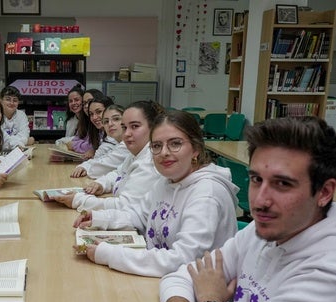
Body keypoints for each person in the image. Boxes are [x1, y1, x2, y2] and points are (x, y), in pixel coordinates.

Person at [150, 117, 336, 302]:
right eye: (256, 179)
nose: (260, 201)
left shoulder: (327, 272)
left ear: (324, 192)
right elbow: (180, 276)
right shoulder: (265, 228)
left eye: (283, 184)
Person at [72, 110, 238, 277]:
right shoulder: (167, 180)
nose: (164, 152)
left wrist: (109, 254)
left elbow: (181, 260)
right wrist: (99, 218)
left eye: (175, 144)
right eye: (157, 146)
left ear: (195, 149)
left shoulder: (207, 195)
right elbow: (139, 215)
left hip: (196, 292)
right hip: (164, 280)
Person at [54, 101, 163, 212]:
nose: (127, 133)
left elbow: (124, 206)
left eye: (135, 126)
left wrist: (79, 200)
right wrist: (101, 184)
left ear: (153, 127)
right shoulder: (135, 153)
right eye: (124, 127)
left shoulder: (150, 162)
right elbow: (118, 173)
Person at [70, 104, 130, 179]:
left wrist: (87, 167)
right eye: (106, 121)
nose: (110, 124)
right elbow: (99, 159)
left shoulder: (128, 145)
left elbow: (96, 171)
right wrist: (84, 166)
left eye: (116, 119)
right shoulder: (113, 140)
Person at [65, 89, 106, 158]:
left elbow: (96, 146)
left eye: (90, 102)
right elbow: (76, 140)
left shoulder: (102, 122)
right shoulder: (88, 120)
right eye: (84, 103)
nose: (87, 106)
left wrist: (75, 145)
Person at [0, 86, 34, 150]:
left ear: (18, 103)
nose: (11, 103)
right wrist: (26, 141)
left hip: (18, 151)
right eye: (8, 99)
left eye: (15, 100)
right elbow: (0, 141)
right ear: (1, 101)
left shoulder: (21, 115)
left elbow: (24, 136)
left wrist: (24, 140)